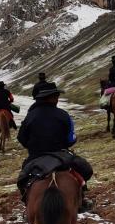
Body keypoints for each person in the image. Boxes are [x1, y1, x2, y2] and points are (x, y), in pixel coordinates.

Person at [17, 82, 94, 211]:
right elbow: (70, 139)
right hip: (61, 155)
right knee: (85, 170)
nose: (57, 98)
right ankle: (82, 198)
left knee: (23, 180)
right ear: (50, 97)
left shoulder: (29, 117)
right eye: (56, 95)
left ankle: (28, 204)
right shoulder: (63, 115)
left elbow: (22, 139)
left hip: (36, 156)